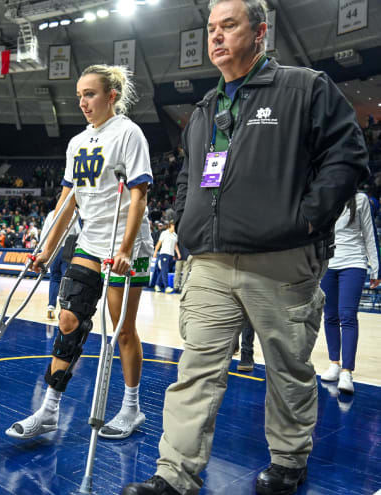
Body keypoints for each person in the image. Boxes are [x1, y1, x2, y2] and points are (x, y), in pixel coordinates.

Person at [122, 1, 369, 494]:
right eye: (211, 28)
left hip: (281, 260)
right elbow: (190, 178)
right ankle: (175, 472)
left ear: (259, 32)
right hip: (209, 262)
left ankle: (289, 460)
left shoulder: (304, 87)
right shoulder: (204, 110)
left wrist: (306, 219)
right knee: (195, 370)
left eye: (228, 26)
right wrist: (187, 224)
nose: (215, 37)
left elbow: (347, 155)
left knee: (288, 370)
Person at [6, 64, 154, 441]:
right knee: (68, 320)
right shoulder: (77, 143)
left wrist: (125, 247)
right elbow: (67, 201)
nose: (83, 102)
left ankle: (132, 408)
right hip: (90, 243)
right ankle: (49, 410)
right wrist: (49, 248)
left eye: (90, 94)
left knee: (122, 330)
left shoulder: (129, 134)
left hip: (127, 246)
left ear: (111, 96)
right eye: (79, 96)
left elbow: (138, 197)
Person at [319, 192, 379, 394]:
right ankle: (334, 363)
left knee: (348, 316)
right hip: (328, 264)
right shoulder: (325, 196)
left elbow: (370, 234)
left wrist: (376, 267)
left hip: (354, 263)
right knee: (330, 316)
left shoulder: (360, 199)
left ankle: (347, 371)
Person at [40, 205, 80, 320]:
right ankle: (64, 308)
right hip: (67, 249)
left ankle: (51, 306)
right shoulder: (73, 213)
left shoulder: (51, 214)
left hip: (53, 250)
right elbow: (78, 232)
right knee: (66, 280)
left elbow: (44, 234)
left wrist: (44, 252)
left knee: (54, 278)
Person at [151, 220, 180, 293]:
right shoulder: (164, 233)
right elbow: (159, 243)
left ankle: (157, 285)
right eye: (174, 225)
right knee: (165, 270)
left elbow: (175, 245)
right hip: (164, 253)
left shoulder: (175, 235)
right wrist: (155, 252)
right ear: (171, 225)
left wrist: (178, 253)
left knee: (163, 270)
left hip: (171, 255)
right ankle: (166, 286)